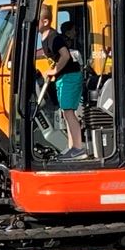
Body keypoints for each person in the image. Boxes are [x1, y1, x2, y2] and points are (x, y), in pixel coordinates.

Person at [41, 20, 85, 152]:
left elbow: (65, 56)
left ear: (45, 21)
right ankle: (71, 147)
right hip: (63, 77)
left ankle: (77, 148)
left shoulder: (54, 38)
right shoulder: (47, 38)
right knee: (66, 113)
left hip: (70, 77)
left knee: (69, 112)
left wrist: (55, 71)